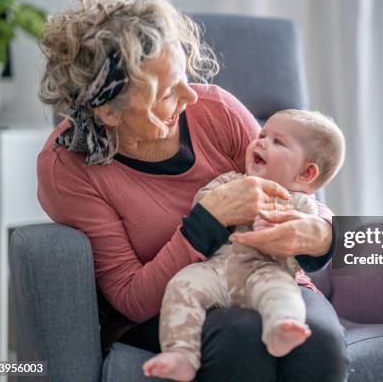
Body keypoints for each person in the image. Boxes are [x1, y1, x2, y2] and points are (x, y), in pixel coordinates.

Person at [36, 0, 348, 381]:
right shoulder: (67, 167)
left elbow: (300, 198)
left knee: (318, 338)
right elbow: (131, 298)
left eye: (183, 76)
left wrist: (320, 234)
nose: (191, 96)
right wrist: (209, 218)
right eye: (167, 93)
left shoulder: (216, 108)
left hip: (266, 277)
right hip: (171, 304)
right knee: (240, 336)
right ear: (109, 112)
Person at [143, 110, 345, 381]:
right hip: (216, 270)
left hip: (265, 271)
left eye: (277, 142)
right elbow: (202, 205)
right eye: (262, 135)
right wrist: (222, 204)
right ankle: (181, 353)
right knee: (182, 285)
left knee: (283, 292)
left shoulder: (301, 204)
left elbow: (310, 241)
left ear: (306, 173)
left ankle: (282, 328)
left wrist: (282, 229)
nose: (260, 142)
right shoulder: (232, 181)